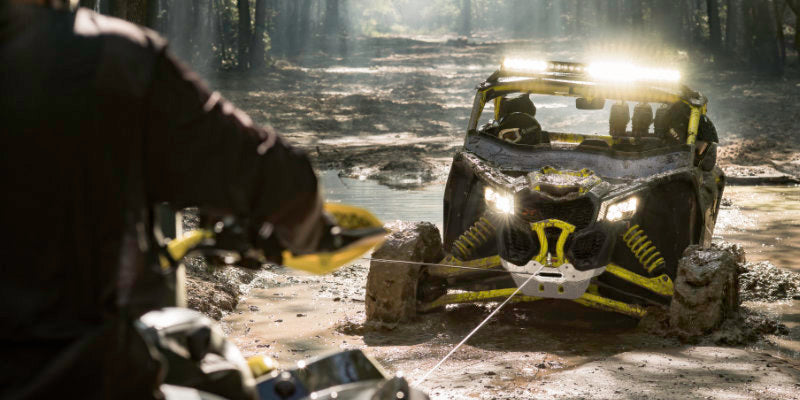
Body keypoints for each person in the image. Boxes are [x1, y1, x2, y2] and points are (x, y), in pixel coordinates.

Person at [1, 1, 332, 398]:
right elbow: (276, 180)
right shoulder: (110, 56)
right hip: (84, 379)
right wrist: (315, 231)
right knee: (231, 382)